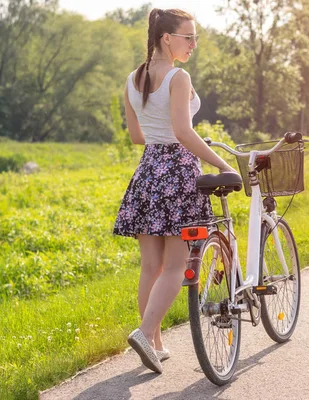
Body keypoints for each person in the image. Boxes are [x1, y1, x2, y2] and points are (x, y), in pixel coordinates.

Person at [113, 8, 238, 374]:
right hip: (178, 171)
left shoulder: (132, 80)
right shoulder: (178, 78)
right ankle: (145, 331)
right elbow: (184, 132)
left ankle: (155, 344)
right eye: (189, 37)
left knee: (150, 266)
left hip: (148, 171)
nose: (194, 44)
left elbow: (138, 136)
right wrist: (223, 165)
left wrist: (159, 133)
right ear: (167, 38)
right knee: (176, 265)